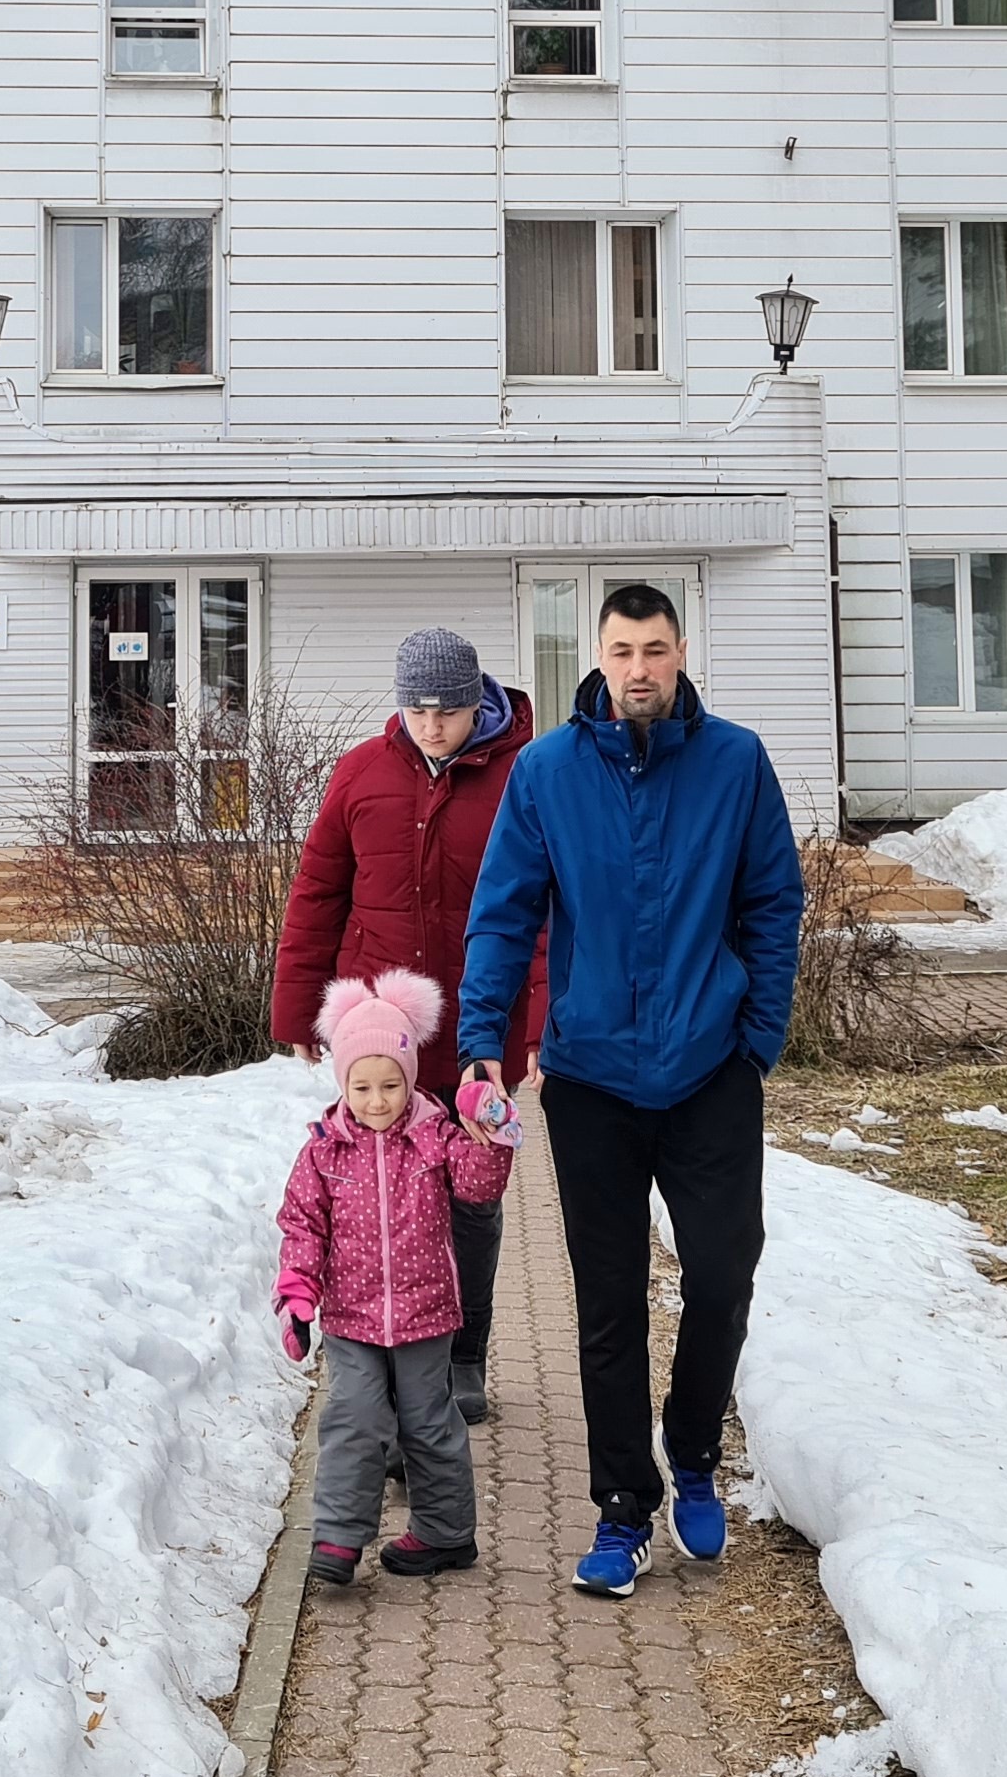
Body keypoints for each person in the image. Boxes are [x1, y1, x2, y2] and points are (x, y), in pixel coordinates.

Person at [458, 581, 802, 1599]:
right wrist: (486, 1037)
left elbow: (772, 901)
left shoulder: (734, 761)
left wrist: (756, 1039)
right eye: (622, 650)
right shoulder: (546, 771)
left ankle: (692, 1449)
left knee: (723, 1273)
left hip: (709, 1071)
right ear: (596, 656)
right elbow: (503, 912)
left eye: (656, 648)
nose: (640, 668)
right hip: (594, 1078)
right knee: (606, 1308)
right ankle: (623, 1509)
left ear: (681, 650)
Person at [271, 625, 541, 1420]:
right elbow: (317, 893)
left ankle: (466, 1358)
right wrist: (298, 1007)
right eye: (418, 708)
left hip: (478, 1029)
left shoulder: (522, 778)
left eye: (450, 710)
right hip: (378, 1033)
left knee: (472, 1196)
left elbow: (547, 910)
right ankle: (387, 1355)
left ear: (477, 703)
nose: (432, 725)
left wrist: (541, 1025)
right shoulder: (360, 773)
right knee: (377, 1193)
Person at [271, 970, 519, 1585]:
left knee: (427, 1423)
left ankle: (445, 1533)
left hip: (425, 1315)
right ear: (343, 1083)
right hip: (353, 1319)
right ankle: (337, 1538)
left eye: (390, 1085)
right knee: (353, 1417)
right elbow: (302, 1226)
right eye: (362, 1086)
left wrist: (491, 1135)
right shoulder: (324, 1150)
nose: (377, 1101)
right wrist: (298, 1297)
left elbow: (479, 1188)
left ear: (410, 1080)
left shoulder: (434, 1135)